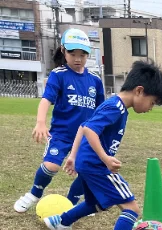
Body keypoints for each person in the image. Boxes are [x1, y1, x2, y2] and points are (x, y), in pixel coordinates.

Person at [43, 61, 162, 230]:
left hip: (87, 163)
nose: (151, 108)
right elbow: (91, 130)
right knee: (131, 207)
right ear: (140, 91)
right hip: (96, 165)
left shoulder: (116, 106)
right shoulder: (115, 107)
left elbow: (84, 126)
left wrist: (74, 156)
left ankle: (61, 221)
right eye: (152, 102)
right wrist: (105, 158)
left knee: (96, 204)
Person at [14, 28, 104, 213]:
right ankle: (34, 194)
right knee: (51, 165)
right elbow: (46, 99)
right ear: (63, 51)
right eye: (72, 53)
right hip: (62, 134)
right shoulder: (59, 74)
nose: (78, 58)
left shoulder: (95, 79)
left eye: (83, 54)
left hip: (86, 137)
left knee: (86, 170)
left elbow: (101, 110)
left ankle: (71, 204)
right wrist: (40, 122)